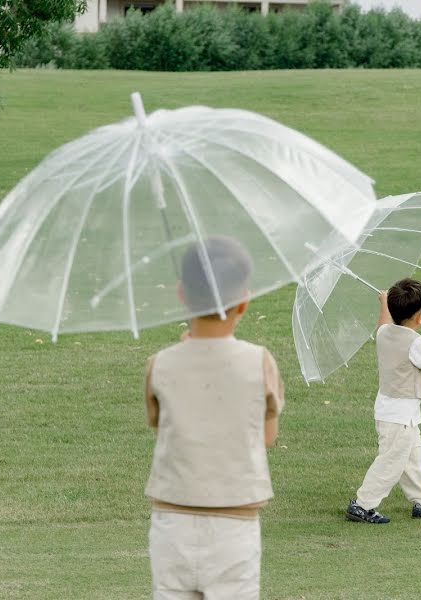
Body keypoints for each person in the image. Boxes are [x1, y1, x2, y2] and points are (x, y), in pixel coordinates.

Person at [144, 237, 284, 599]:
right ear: (244, 302)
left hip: (172, 522)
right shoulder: (260, 361)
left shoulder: (160, 364)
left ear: (181, 294)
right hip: (234, 525)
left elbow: (164, 428)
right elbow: (265, 437)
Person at [345, 278, 421, 524]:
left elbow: (383, 323)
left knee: (412, 459)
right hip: (399, 416)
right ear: (420, 317)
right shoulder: (416, 343)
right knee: (392, 462)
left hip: (393, 411)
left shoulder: (385, 333)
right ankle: (363, 504)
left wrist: (383, 304)